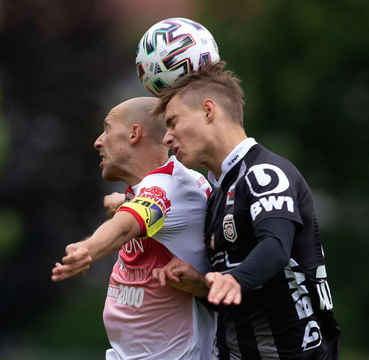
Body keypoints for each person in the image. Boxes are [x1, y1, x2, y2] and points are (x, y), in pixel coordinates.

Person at [151, 61, 340, 360]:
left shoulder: (264, 173)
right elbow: (242, 298)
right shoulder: (217, 194)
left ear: (208, 111)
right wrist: (202, 286)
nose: (167, 137)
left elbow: (276, 247)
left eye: (173, 122)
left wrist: (233, 279)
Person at [51, 97, 216, 360]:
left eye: (107, 128)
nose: (98, 141)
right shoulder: (158, 187)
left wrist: (87, 248)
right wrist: (122, 201)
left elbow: (126, 226)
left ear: (133, 134)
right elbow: (144, 211)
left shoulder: (170, 188)